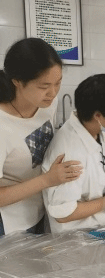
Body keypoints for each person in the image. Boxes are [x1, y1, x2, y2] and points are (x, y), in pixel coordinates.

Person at [0, 38, 82, 236]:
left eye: (58, 83)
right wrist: (47, 180)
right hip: (9, 222)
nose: (52, 93)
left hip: (41, 208)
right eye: (43, 86)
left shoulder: (48, 105)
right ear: (17, 82)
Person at [42, 74, 105, 233]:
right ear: (98, 116)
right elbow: (63, 213)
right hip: (78, 237)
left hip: (102, 229)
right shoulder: (71, 152)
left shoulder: (99, 131)